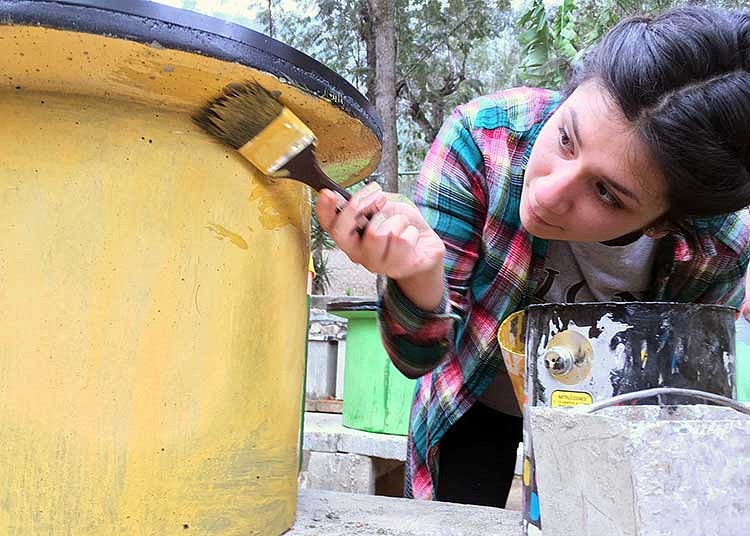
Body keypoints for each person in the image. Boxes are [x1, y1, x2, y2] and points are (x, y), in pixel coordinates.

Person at [316, 5, 750, 508]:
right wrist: (417, 279)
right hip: (475, 400)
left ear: (662, 222)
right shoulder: (481, 142)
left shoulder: (715, 248)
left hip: (609, 421)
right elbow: (418, 360)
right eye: (566, 138)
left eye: (607, 194)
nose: (547, 195)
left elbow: (679, 423)